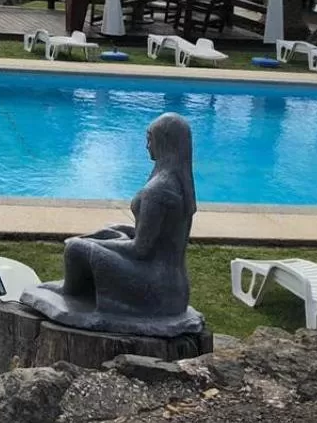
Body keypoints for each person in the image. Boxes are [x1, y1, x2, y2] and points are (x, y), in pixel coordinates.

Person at [23, 112, 202, 333]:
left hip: (155, 288)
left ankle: (71, 292)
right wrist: (113, 233)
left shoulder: (159, 190)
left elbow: (140, 249)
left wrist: (93, 245)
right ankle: (73, 289)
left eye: (150, 138)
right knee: (110, 231)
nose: (147, 145)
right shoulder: (175, 183)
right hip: (174, 288)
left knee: (76, 248)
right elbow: (155, 236)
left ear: (164, 142)